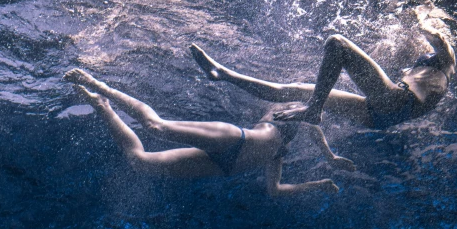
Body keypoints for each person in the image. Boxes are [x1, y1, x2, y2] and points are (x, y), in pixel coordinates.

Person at [63, 69, 355, 195]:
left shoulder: (279, 154)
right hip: (235, 138)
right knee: (156, 126)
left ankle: (101, 105)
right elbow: (313, 124)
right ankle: (101, 86)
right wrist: (329, 155)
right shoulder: (293, 108)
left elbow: (275, 192)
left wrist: (317, 185)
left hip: (221, 165)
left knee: (139, 162)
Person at [190, 23, 455, 130]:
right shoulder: (430, 78)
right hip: (379, 117)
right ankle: (223, 74)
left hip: (396, 101)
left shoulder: (448, 61)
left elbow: (439, 38)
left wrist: (425, 18)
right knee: (291, 89)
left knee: (337, 43)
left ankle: (313, 110)